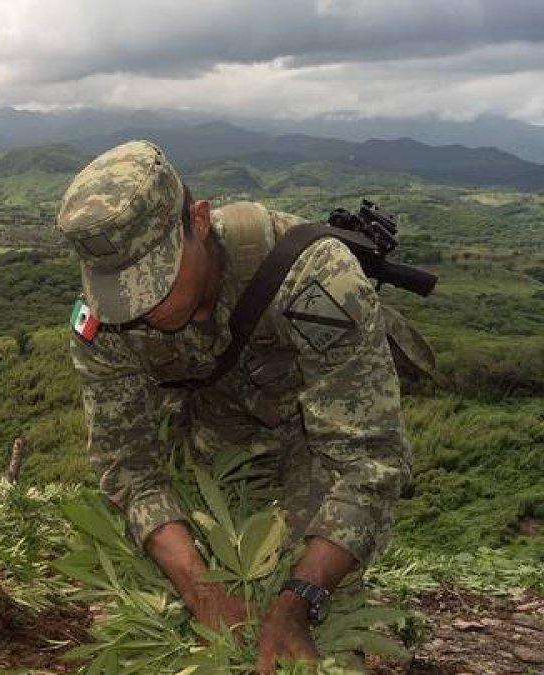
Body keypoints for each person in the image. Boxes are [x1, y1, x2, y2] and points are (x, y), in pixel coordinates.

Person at [57, 140, 413, 673]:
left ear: (198, 221)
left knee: (312, 624)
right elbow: (127, 464)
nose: (143, 310)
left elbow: (368, 461)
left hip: (313, 436)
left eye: (155, 282)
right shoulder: (102, 323)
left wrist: (299, 602)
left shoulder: (316, 281)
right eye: (122, 297)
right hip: (214, 438)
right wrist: (201, 589)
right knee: (184, 602)